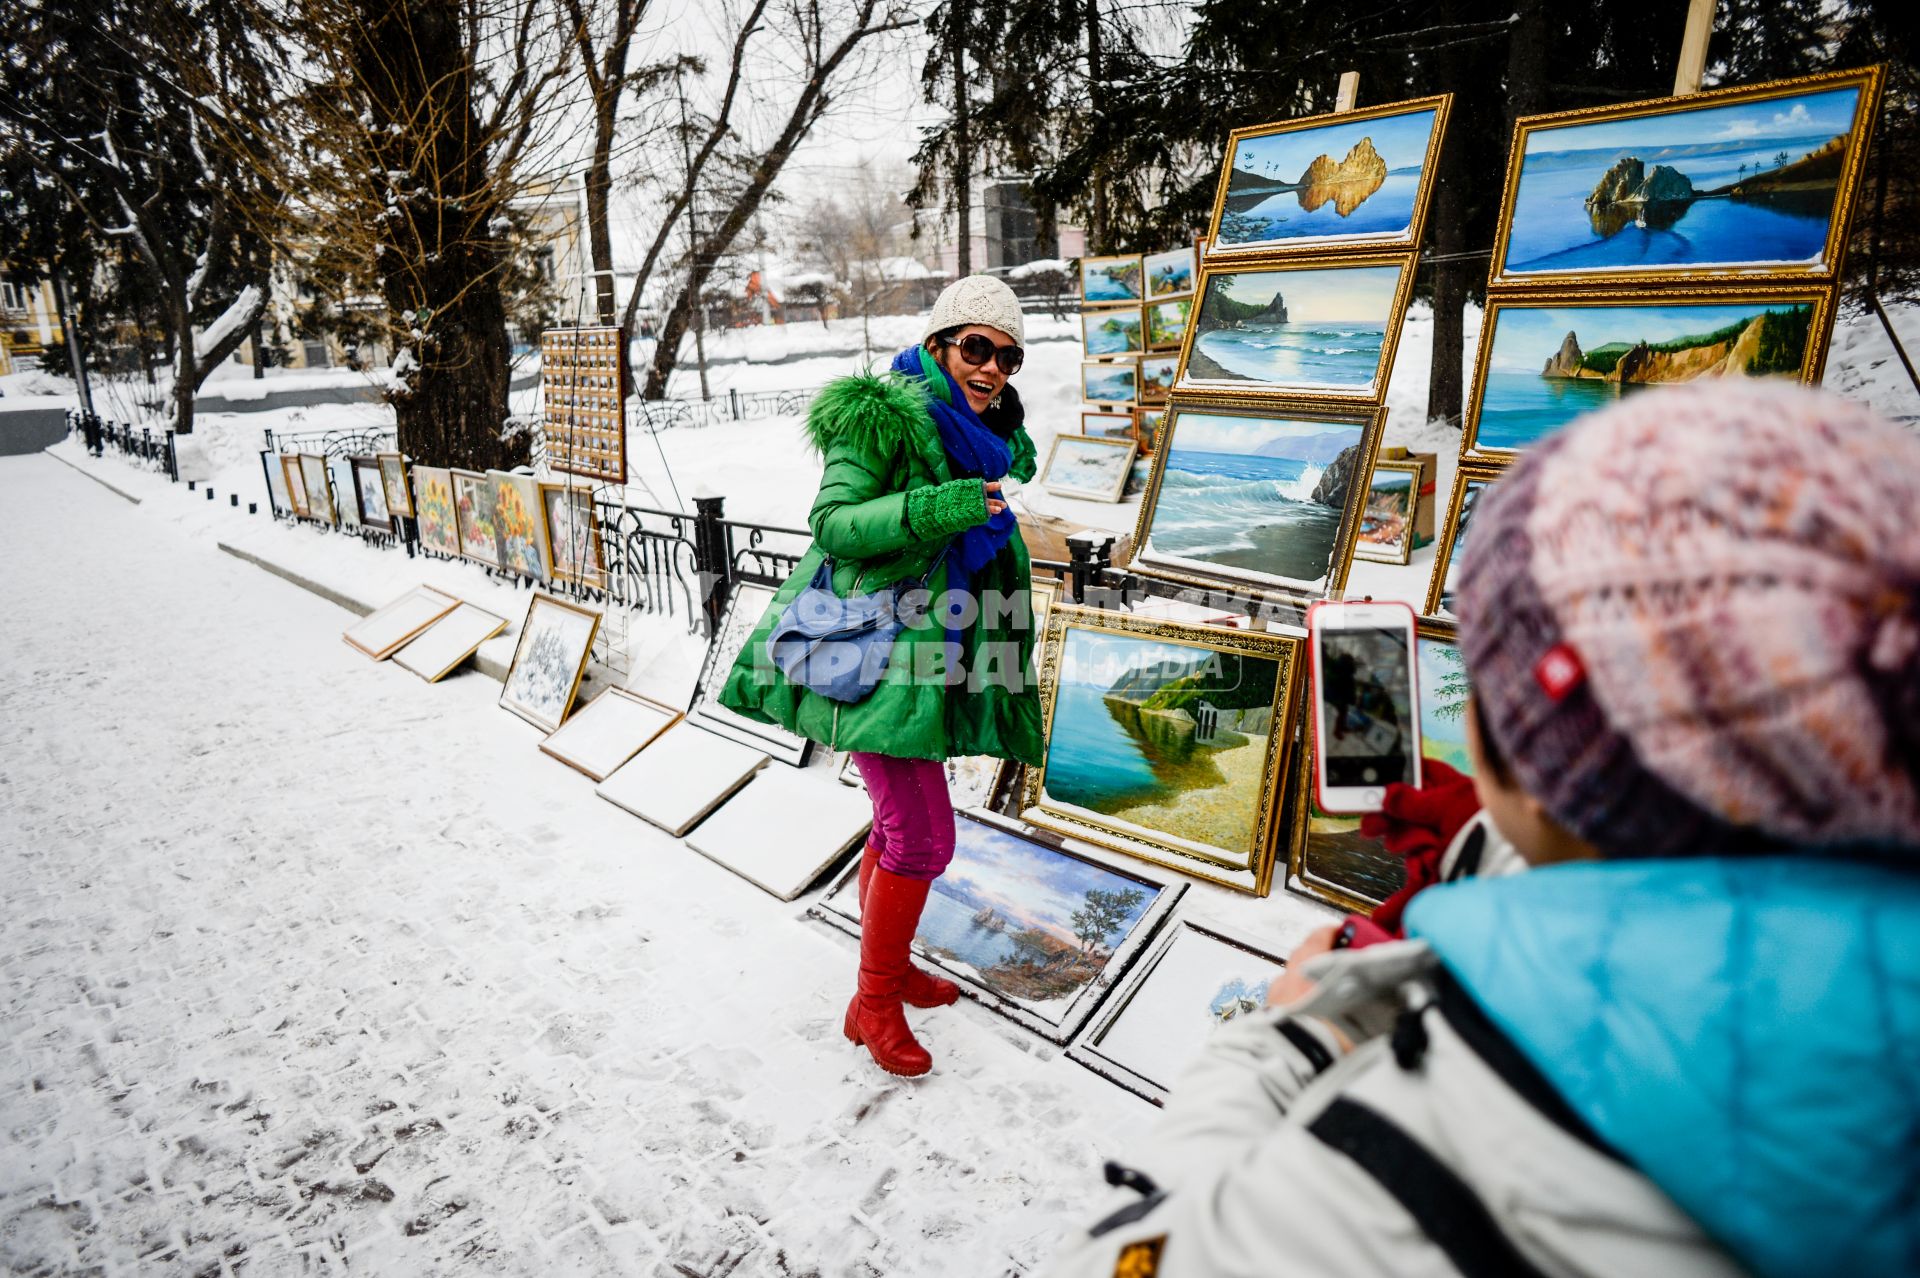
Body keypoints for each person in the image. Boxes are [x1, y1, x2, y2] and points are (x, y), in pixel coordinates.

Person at [1041, 381, 1920, 1277]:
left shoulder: (1420, 1164)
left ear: (1545, 770)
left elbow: (1125, 1256)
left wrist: (1299, 1035)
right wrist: (1492, 847)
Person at [718, 274, 1045, 1078]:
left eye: (1008, 356)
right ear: (938, 345)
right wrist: (949, 505)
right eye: (977, 347)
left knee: (902, 829)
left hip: (932, 657)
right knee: (925, 837)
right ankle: (873, 1004)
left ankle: (887, 974)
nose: (992, 368)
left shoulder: (990, 437)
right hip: (874, 653)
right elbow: (833, 524)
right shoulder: (882, 419)